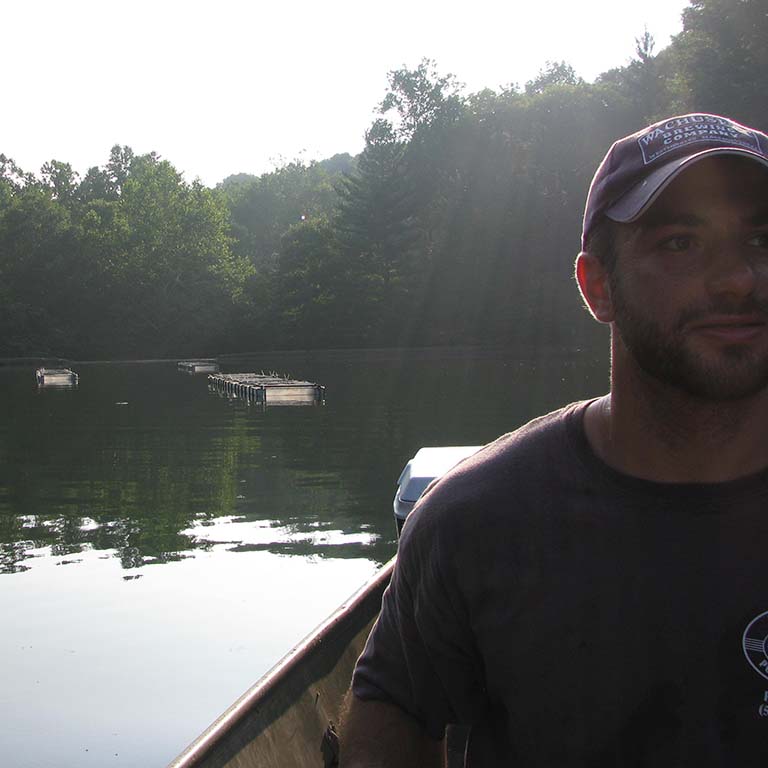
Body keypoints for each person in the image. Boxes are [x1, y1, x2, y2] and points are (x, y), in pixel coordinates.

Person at [340, 113, 768, 767]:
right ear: (598, 287)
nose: (739, 278)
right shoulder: (474, 523)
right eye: (681, 243)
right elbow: (392, 711)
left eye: (763, 241)